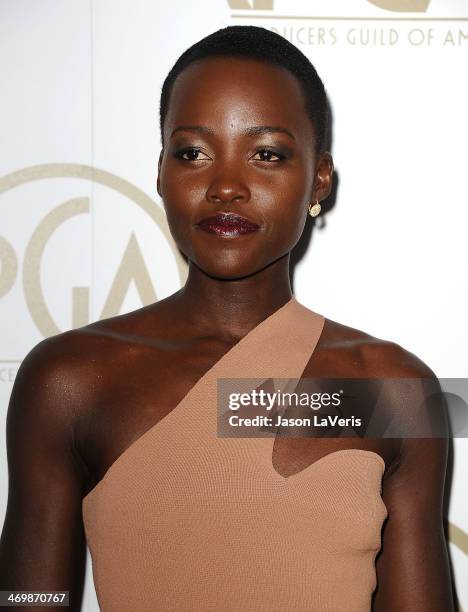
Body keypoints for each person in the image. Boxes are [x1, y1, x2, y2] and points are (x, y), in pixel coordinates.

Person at [0, 25, 454, 612]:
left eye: (266, 154)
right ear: (161, 171)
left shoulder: (395, 390)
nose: (227, 187)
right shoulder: (69, 379)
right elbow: (26, 603)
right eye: (193, 152)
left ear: (319, 177)